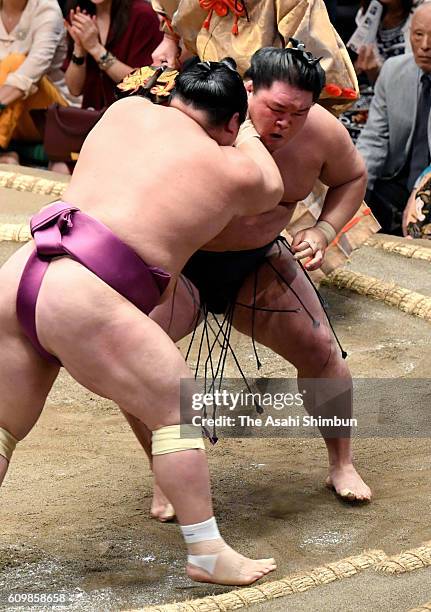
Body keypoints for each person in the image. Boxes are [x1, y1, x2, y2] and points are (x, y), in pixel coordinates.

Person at [0, 59, 284, 586]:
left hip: (23, 272)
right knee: (179, 414)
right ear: (227, 122)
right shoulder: (229, 165)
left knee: (1, 430)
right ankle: (207, 552)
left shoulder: (125, 110)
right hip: (87, 293)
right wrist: (245, 130)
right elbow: (270, 185)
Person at [118, 45, 371, 523]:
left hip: (258, 263)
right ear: (248, 89)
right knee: (136, 357)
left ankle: (342, 463)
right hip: (184, 264)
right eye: (276, 109)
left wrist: (321, 230)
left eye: (299, 112)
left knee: (321, 351)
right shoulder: (197, 122)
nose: (286, 124)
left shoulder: (319, 134)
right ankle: (165, 470)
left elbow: (353, 176)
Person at [150, 0, 359, 112]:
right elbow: (173, 7)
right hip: (211, 93)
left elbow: (317, 72)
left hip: (267, 113)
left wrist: (263, 99)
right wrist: (169, 39)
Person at [357, 1, 431, 235]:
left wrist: (422, 192)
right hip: (395, 177)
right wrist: (355, 184)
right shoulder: (392, 71)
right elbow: (374, 139)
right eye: (418, 35)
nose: (425, 46)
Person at [0, 0, 76, 164]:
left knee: (17, 62)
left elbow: (30, 72)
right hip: (8, 114)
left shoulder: (47, 9)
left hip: (47, 116)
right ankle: (7, 152)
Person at [64, 0, 163, 110]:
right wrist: (79, 50)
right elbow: (74, 90)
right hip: (94, 119)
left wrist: (96, 49)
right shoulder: (80, 13)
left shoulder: (143, 15)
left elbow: (145, 83)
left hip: (134, 115)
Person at [354, 0, 415, 84]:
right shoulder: (365, 14)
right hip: (384, 90)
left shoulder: (424, 10)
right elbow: (378, 84)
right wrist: (373, 71)